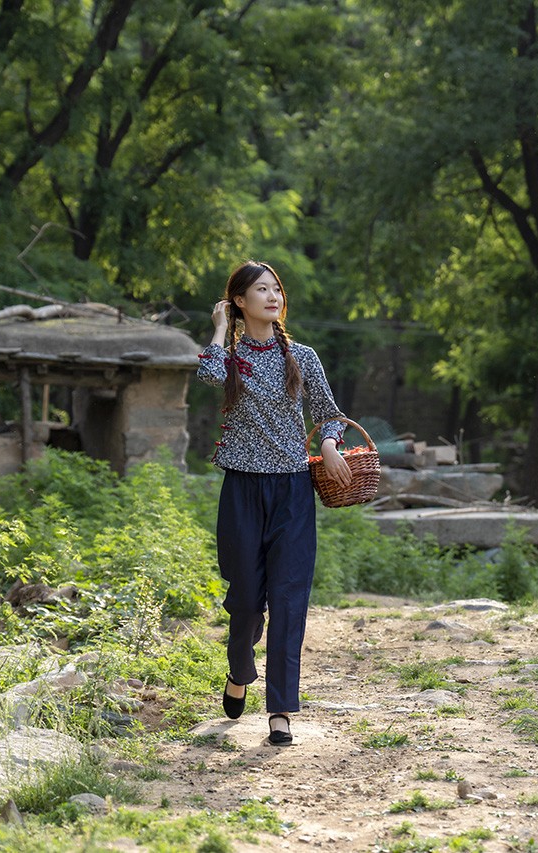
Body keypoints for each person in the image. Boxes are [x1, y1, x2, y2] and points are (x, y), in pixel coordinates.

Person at [196, 260, 352, 746]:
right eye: (260, 290)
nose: (272, 296)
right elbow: (205, 374)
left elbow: (330, 414)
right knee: (245, 601)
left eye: (276, 289)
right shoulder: (231, 357)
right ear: (241, 301)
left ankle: (280, 710)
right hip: (242, 490)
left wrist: (327, 445)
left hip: (292, 492)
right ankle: (239, 670)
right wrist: (221, 328)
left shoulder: (302, 356)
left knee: (289, 600)